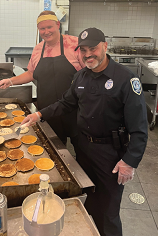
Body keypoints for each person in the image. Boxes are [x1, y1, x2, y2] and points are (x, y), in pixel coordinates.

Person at [19, 28, 147, 236]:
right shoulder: (80, 77)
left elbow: (140, 129)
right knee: (89, 199)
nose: (88, 54)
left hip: (111, 155)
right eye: (83, 50)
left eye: (93, 49)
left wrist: (129, 161)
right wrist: (39, 115)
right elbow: (65, 104)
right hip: (85, 148)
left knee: (108, 211)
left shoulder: (125, 79)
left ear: (105, 46)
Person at [0, 11, 82, 145]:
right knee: (56, 148)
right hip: (48, 111)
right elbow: (31, 73)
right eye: (42, 28)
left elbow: (88, 73)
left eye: (49, 27)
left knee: (81, 148)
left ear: (58, 25)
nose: (46, 31)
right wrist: (11, 81)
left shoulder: (74, 44)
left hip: (75, 109)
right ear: (38, 29)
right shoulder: (38, 49)